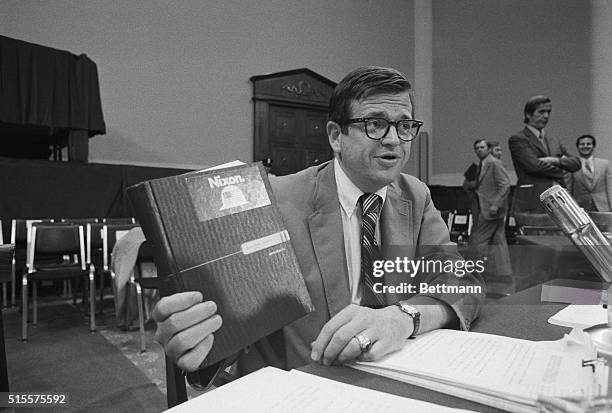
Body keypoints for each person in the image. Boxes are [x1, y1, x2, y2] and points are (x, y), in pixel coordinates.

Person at [152, 66, 485, 386]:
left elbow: (461, 282)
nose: (393, 140)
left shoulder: (415, 195)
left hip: (394, 380)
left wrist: (402, 317)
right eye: (375, 124)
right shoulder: (273, 200)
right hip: (299, 388)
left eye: (404, 126)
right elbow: (230, 328)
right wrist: (199, 338)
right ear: (335, 136)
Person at [508, 96, 580, 214]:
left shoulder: (553, 139)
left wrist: (554, 160)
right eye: (541, 112)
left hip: (559, 201)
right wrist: (562, 167)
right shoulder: (518, 139)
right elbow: (534, 166)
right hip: (533, 200)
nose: (546, 116)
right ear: (528, 114)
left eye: (548, 112)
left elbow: (576, 163)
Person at [469, 140, 512, 279]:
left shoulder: (494, 163)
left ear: (488, 149)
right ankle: (505, 273)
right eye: (477, 148)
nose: (479, 150)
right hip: (487, 207)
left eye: (482, 147)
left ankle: (476, 272)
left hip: (490, 209)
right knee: (499, 242)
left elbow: (505, 185)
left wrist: (495, 204)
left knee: (479, 240)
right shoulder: (483, 164)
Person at [566, 134, 612, 212]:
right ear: (578, 147)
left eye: (588, 144)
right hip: (580, 209)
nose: (585, 146)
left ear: (593, 146)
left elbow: (610, 187)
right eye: (582, 144)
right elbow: (569, 188)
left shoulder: (605, 164)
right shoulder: (571, 165)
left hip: (603, 207)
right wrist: (569, 209)